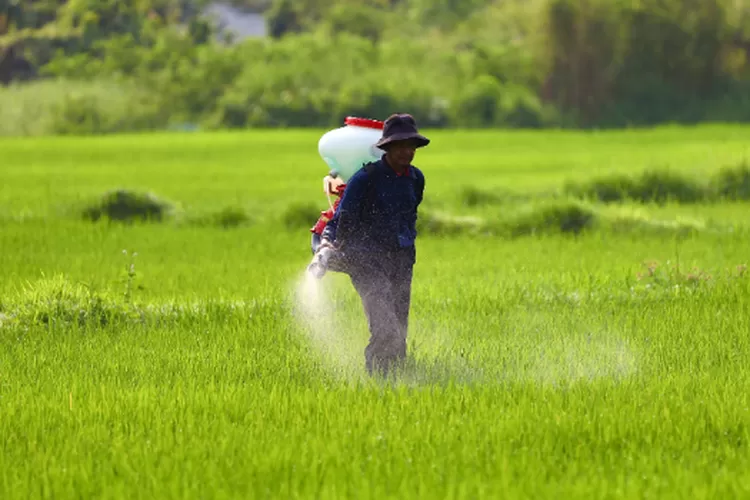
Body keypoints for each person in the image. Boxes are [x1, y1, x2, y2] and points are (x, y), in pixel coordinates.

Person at [318, 113, 429, 376]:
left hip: (402, 259)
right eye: (400, 146)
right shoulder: (366, 178)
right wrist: (332, 245)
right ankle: (377, 379)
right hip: (366, 260)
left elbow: (409, 214)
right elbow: (343, 217)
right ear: (387, 147)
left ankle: (399, 376)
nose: (407, 152)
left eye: (411, 147)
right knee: (385, 326)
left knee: (400, 325)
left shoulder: (416, 178)